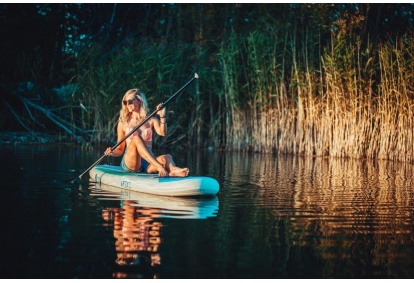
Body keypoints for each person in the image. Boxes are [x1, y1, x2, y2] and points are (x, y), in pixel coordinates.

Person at [104, 88, 189, 177]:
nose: (127, 104)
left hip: (148, 162)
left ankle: (174, 171)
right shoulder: (123, 123)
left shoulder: (151, 120)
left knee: (167, 157)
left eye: (130, 101)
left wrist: (162, 116)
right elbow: (120, 149)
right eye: (125, 102)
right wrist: (112, 152)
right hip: (131, 162)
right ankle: (160, 167)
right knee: (136, 138)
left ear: (139, 101)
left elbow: (162, 133)